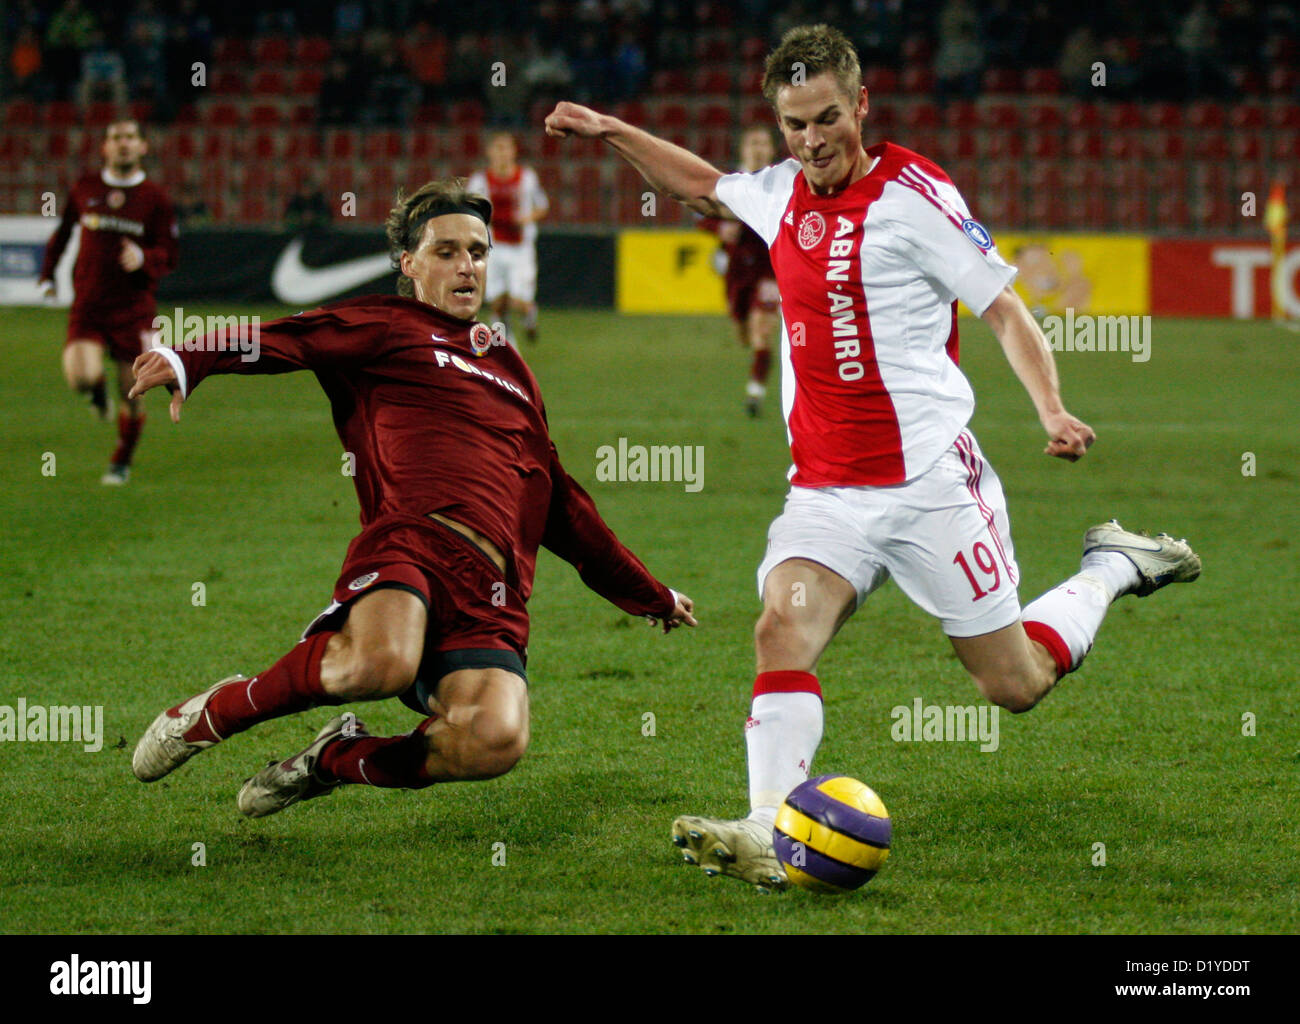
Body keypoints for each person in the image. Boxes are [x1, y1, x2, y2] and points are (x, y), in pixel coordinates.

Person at [545, 24, 1201, 890]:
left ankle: (1115, 564)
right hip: (827, 491)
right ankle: (768, 832)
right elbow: (703, 187)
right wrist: (613, 132)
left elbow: (1003, 309)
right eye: (792, 125)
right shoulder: (780, 192)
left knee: (1015, 684)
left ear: (860, 105)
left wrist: (1051, 407)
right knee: (782, 624)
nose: (810, 142)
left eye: (825, 119)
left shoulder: (917, 196)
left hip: (931, 483)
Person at [129, 179, 695, 818]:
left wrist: (651, 593)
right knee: (382, 663)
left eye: (478, 253)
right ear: (410, 264)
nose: (466, 266)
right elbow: (292, 337)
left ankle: (331, 759)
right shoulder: (389, 325)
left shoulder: (511, 368)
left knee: (494, 741)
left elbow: (561, 503)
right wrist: (187, 360)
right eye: (447, 251)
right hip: (414, 541)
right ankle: (220, 709)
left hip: (493, 590)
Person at [39, 119, 178, 485]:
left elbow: (170, 253)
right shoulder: (85, 187)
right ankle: (97, 396)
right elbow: (64, 231)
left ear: (143, 147)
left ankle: (121, 459)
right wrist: (47, 273)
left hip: (134, 310)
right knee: (81, 378)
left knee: (133, 390)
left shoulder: (155, 198)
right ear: (104, 147)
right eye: (116, 138)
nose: (124, 144)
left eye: (131, 137)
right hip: (89, 303)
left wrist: (144, 258)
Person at [698, 126, 781, 416]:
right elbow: (700, 212)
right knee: (744, 333)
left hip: (769, 271)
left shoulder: (781, 183)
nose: (758, 149)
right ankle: (757, 361)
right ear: (743, 150)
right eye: (753, 143)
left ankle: (755, 395)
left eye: (763, 143)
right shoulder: (728, 184)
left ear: (771, 150)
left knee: (762, 332)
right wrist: (720, 227)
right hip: (737, 273)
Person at [467, 132, 548, 344]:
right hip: (492, 247)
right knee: (497, 303)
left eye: (506, 148)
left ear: (514, 152)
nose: (502, 153)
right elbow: (469, 208)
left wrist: (526, 218)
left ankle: (529, 317)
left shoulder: (527, 178)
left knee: (519, 301)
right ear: (490, 152)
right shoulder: (479, 181)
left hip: (521, 249)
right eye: (498, 148)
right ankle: (505, 347)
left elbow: (542, 206)